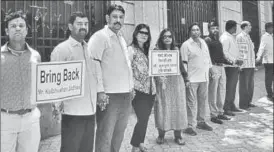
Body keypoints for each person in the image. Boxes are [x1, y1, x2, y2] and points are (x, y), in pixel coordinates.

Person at [50, 12, 100, 152]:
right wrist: (56, 106)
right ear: (70, 26)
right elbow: (54, 82)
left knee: (86, 148)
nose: (83, 27)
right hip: (72, 112)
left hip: (90, 111)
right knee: (70, 148)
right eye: (79, 24)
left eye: (85, 24)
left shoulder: (89, 48)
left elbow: (95, 74)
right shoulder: (62, 50)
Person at [87, 4, 134, 152]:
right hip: (109, 96)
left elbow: (126, 66)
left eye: (121, 17)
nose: (118, 20)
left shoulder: (121, 37)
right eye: (114, 17)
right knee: (105, 134)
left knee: (119, 134)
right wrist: (100, 92)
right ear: (107, 18)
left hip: (125, 95)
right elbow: (93, 66)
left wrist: (131, 87)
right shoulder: (100, 37)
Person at [1, 10, 41, 152]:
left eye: (21, 25)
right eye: (13, 26)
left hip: (31, 118)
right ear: (7, 30)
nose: (17, 28)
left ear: (26, 30)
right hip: (5, 118)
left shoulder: (35, 56)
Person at [154, 29, 188, 145]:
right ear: (161, 39)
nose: (167, 39)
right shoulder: (156, 51)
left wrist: (186, 78)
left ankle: (178, 136)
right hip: (163, 82)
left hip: (176, 81)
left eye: (169, 36)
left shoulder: (176, 50)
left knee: (178, 107)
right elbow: (153, 68)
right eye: (164, 37)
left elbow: (181, 66)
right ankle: (161, 135)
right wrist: (158, 78)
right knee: (163, 107)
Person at [180, 22, 213, 136]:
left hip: (204, 77)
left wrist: (210, 70)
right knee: (191, 103)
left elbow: (207, 57)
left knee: (203, 101)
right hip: (192, 79)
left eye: (198, 29)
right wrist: (186, 79)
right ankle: (189, 126)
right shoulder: (186, 45)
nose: (196, 32)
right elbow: (183, 63)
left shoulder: (203, 42)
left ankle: (201, 122)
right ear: (190, 32)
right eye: (193, 30)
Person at [128, 24, 156, 152]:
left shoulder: (148, 51)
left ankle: (140, 142)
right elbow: (127, 71)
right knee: (143, 118)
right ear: (135, 34)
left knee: (144, 118)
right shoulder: (130, 50)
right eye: (141, 32)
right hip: (138, 90)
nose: (144, 35)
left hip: (151, 90)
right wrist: (130, 88)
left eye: (146, 33)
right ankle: (134, 146)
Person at [204, 21, 233, 125]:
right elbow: (206, 56)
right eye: (213, 28)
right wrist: (210, 68)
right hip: (213, 67)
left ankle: (220, 112)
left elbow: (221, 55)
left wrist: (229, 61)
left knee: (221, 90)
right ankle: (213, 115)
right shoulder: (207, 40)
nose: (215, 30)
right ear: (209, 29)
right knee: (213, 91)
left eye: (216, 28)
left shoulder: (218, 40)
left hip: (221, 67)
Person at [219, 20, 244, 116]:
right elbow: (224, 53)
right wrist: (234, 60)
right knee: (229, 87)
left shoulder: (230, 37)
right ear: (232, 27)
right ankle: (226, 108)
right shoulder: (225, 38)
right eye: (235, 27)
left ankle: (231, 105)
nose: (236, 29)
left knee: (233, 87)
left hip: (234, 66)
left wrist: (237, 61)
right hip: (229, 66)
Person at [236, 21, 256, 110]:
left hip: (251, 64)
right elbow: (240, 52)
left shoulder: (248, 36)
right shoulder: (240, 37)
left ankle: (248, 102)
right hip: (245, 65)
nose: (251, 27)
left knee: (250, 85)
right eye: (249, 25)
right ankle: (243, 104)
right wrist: (240, 65)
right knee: (244, 86)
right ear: (245, 27)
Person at [256, 22, 273, 102]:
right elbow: (261, 47)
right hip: (268, 61)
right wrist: (259, 57)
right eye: (272, 27)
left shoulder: (272, 36)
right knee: (269, 78)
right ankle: (270, 94)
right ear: (268, 28)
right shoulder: (265, 37)